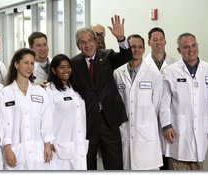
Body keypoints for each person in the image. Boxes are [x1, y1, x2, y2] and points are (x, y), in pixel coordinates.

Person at [70, 15, 132, 170]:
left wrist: (121, 38)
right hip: (87, 122)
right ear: (78, 45)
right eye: (83, 42)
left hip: (109, 120)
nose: (87, 45)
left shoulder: (107, 56)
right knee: (87, 164)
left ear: (96, 42)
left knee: (114, 164)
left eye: (90, 40)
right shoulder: (73, 63)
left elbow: (126, 56)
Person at [159, 33, 208, 170]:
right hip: (178, 133)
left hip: (201, 132)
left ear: (197, 46)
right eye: (186, 47)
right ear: (179, 50)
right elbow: (163, 104)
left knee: (197, 165)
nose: (191, 50)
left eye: (193, 45)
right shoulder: (170, 72)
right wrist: (166, 126)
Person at [0, 48, 55, 170]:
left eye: (32, 63)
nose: (30, 67)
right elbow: (3, 123)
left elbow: (46, 121)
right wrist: (7, 148)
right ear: (16, 64)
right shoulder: (5, 93)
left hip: (38, 150)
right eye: (26, 62)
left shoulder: (40, 92)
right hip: (16, 151)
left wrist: (48, 144)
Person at [114, 34, 163, 170]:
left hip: (146, 133)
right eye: (133, 47)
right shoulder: (118, 73)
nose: (136, 50)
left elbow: (157, 105)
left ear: (144, 49)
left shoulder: (154, 74)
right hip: (125, 131)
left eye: (140, 47)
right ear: (127, 49)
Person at [46, 54, 88, 170]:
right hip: (59, 146)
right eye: (62, 67)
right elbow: (46, 119)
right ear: (54, 70)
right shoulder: (49, 90)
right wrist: (49, 142)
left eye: (68, 66)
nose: (66, 70)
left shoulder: (76, 89)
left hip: (78, 144)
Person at [144, 27, 177, 170]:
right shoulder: (142, 65)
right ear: (149, 42)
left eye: (161, 39)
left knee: (168, 160)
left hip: (170, 120)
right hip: (148, 119)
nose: (158, 43)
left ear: (165, 41)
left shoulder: (176, 64)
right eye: (154, 39)